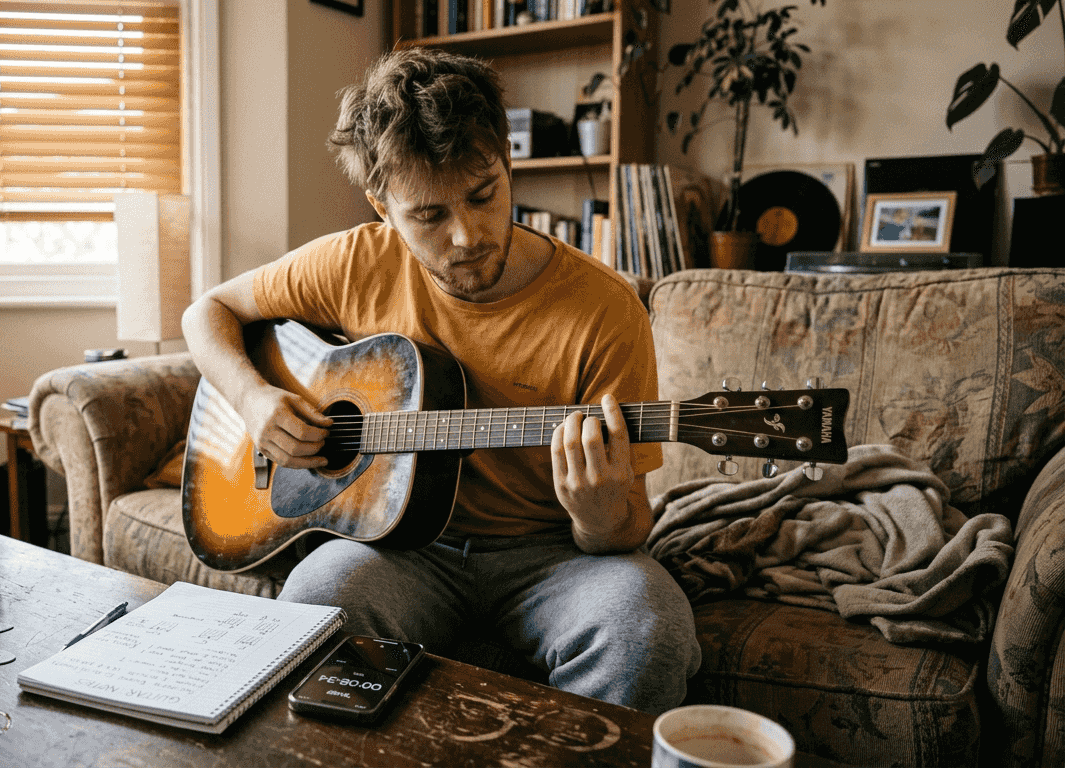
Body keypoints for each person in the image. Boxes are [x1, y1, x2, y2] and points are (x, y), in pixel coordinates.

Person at [180, 47, 699, 714]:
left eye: (484, 194)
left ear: (507, 165)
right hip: (400, 552)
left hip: (557, 556)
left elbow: (626, 524)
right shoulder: (353, 264)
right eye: (428, 214)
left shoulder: (606, 310)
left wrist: (600, 521)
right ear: (382, 207)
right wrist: (253, 400)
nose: (467, 235)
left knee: (645, 623)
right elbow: (208, 313)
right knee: (310, 607)